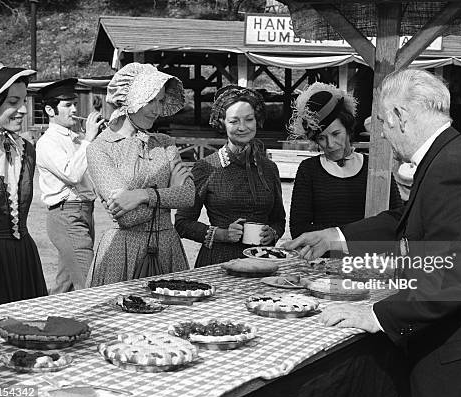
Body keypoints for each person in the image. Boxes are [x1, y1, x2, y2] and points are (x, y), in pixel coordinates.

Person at [284, 69, 461, 397]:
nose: (383, 136)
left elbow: (453, 278)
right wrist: (335, 236)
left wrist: (374, 315)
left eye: (384, 123)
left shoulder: (451, 168)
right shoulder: (452, 155)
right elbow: (410, 220)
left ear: (401, 116)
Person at [86, 63, 194, 287]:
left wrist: (141, 195)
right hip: (122, 250)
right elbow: (128, 218)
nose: (156, 109)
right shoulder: (100, 148)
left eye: (161, 101)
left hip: (167, 247)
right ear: (132, 98)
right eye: (150, 100)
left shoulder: (164, 143)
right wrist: (168, 194)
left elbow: (188, 196)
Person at [175, 85, 286, 266]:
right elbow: (182, 223)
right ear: (222, 123)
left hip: (261, 262)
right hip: (218, 262)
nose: (242, 127)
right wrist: (221, 234)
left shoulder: (269, 168)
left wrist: (272, 233)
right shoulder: (206, 167)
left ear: (257, 121)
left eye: (249, 120)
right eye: (234, 121)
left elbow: (278, 219)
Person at [0, 56, 48, 308]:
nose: (23, 110)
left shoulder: (25, 149)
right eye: (14, 102)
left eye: (24, 101)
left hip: (22, 256)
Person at [288, 83, 401, 239]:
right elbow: (298, 229)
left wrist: (337, 235)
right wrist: (359, 231)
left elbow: (397, 218)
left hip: (366, 259)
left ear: (348, 129)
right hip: (321, 261)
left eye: (336, 133)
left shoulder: (374, 167)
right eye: (322, 138)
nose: (330, 144)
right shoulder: (309, 170)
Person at [35, 78, 104, 293]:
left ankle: (52, 321)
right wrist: (89, 139)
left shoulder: (77, 138)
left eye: (74, 103)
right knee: (90, 279)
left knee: (65, 286)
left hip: (84, 212)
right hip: (66, 215)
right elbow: (72, 175)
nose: (74, 109)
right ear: (50, 110)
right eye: (67, 105)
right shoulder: (47, 142)